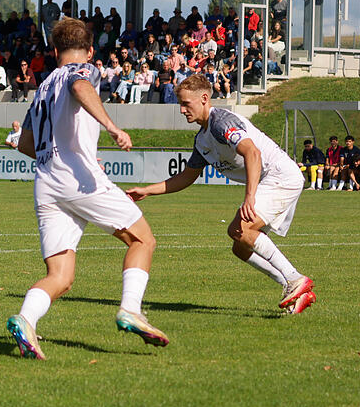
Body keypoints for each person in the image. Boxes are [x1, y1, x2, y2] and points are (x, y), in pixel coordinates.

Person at [6, 17, 168, 360]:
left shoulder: (45, 84)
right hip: (78, 179)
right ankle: (130, 309)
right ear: (91, 50)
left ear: (53, 51)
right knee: (143, 239)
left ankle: (26, 319)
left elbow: (26, 144)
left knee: (61, 276)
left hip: (47, 183)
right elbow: (81, 86)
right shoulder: (84, 69)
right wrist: (112, 127)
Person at [127, 74, 316, 315]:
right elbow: (186, 177)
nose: (182, 110)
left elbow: (252, 153)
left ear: (204, 98)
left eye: (186, 103)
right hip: (272, 180)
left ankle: (294, 279)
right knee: (240, 246)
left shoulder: (221, 123)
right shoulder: (202, 139)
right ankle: (294, 286)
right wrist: (146, 190)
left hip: (280, 176)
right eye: (180, 104)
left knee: (242, 230)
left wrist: (250, 197)